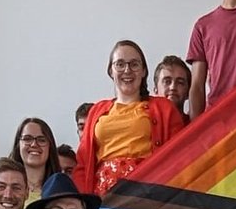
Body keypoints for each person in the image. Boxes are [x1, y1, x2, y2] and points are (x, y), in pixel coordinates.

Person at [73, 40, 183, 199]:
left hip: (147, 196)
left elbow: (178, 155)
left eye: (134, 64)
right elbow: (82, 165)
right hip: (102, 200)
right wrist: (86, 202)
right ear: (111, 71)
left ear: (144, 70)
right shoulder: (96, 110)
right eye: (120, 64)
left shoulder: (164, 108)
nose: (127, 70)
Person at [8, 116, 62, 209]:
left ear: (50, 147)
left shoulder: (62, 189)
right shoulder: (2, 186)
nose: (34, 144)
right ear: (18, 144)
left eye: (41, 140)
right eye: (27, 139)